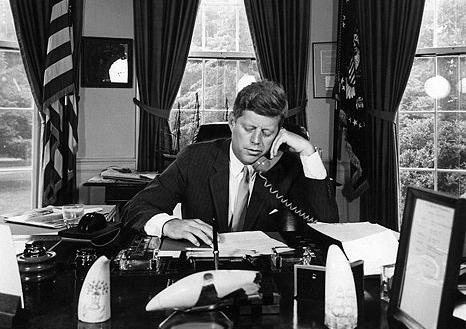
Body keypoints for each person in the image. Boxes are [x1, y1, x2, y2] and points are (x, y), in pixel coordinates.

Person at [121, 80, 339, 246]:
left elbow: (328, 222)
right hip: (204, 271)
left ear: (279, 133)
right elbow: (135, 208)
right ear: (232, 123)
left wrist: (308, 152)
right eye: (249, 129)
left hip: (264, 278)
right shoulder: (195, 158)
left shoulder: (288, 166)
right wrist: (168, 224)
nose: (256, 141)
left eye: (266, 132)